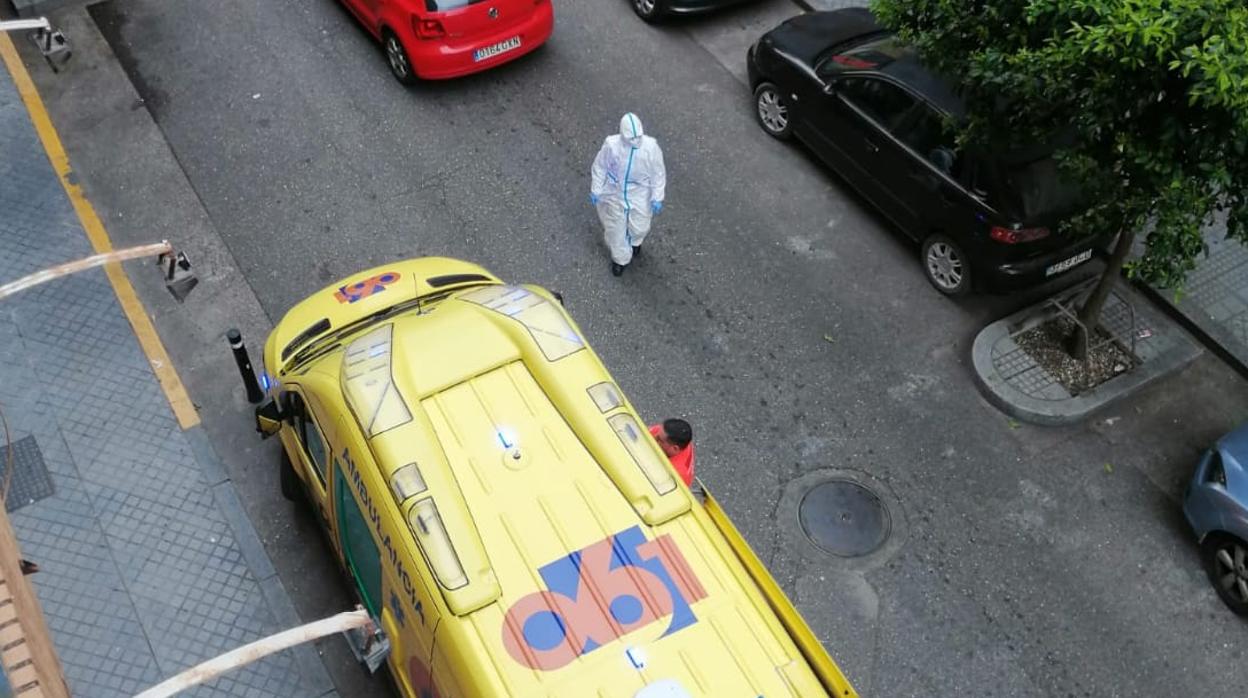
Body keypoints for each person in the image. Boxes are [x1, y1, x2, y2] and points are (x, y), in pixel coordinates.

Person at [590, 113, 667, 277]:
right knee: (615, 229)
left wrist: (657, 197)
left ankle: (635, 241)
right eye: (631, 137)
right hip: (615, 192)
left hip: (640, 193)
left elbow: (658, 173)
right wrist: (596, 189)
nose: (635, 140)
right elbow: (600, 166)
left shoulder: (651, 148)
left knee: (640, 227)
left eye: (638, 136)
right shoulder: (612, 145)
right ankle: (620, 259)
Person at [649, 418, 694, 487]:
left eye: (659, 440)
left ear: (675, 448)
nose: (654, 437)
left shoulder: (675, 475)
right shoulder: (666, 433)